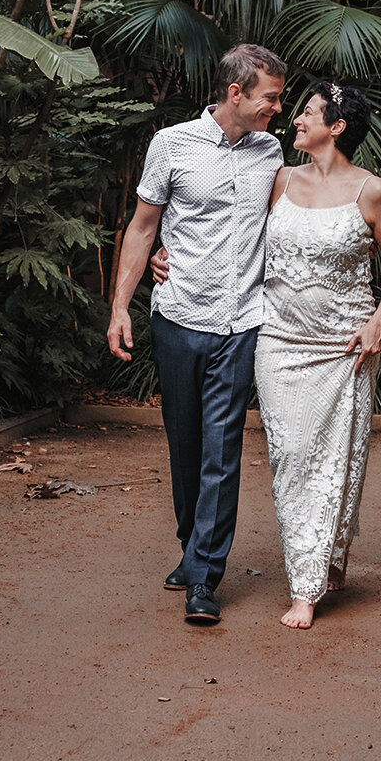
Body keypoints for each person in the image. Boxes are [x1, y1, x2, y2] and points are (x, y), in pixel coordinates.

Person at [106, 44, 286, 626]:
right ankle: (193, 546)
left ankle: (205, 575)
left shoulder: (271, 151)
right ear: (236, 93)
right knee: (184, 445)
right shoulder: (172, 144)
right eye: (269, 97)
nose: (276, 110)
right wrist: (120, 307)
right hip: (179, 317)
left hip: (242, 323)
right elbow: (141, 230)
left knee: (222, 449)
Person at [255, 82, 381, 629]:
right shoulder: (279, 180)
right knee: (291, 457)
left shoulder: (373, 192)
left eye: (307, 112)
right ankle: (310, 573)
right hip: (278, 340)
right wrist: (167, 259)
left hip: (343, 345)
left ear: (336, 126)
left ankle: (316, 575)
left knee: (338, 458)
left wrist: (376, 322)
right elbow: (234, 241)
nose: (296, 119)